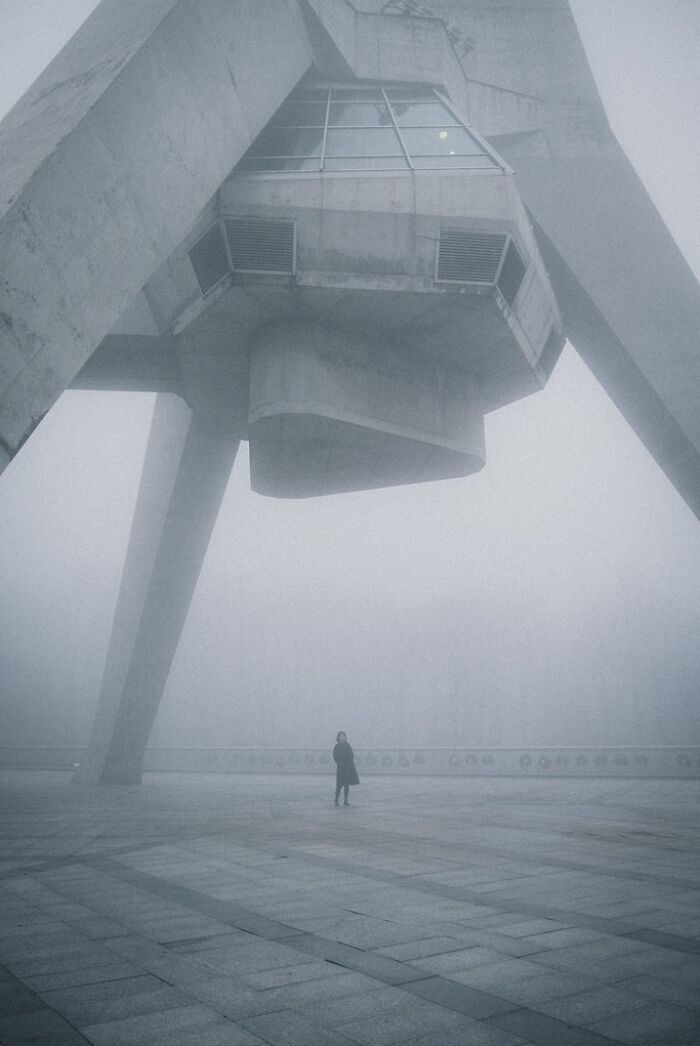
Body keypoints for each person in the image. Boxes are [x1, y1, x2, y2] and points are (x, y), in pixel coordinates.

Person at [333, 731, 359, 806]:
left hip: (347, 768)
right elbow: (335, 756)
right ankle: (336, 800)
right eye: (341, 736)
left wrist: (349, 762)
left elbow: (351, 755)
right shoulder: (337, 746)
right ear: (338, 738)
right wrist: (340, 762)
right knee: (339, 785)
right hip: (340, 769)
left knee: (346, 785)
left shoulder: (348, 746)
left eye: (344, 736)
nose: (342, 738)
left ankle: (345, 800)